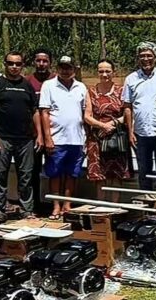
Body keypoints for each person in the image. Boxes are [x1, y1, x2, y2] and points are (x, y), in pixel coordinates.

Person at [0, 52, 43, 223]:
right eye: (11, 63)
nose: (14, 67)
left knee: (26, 176)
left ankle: (27, 211)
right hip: (2, 138)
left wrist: (39, 135)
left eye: (18, 64)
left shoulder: (27, 85)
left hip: (25, 139)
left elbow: (35, 111)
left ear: (22, 65)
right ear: (5, 64)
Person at [122, 41, 156, 190]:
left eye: (149, 55)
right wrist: (130, 131)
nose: (146, 59)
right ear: (138, 58)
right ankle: (146, 203)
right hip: (140, 133)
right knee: (144, 170)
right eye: (142, 56)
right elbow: (127, 107)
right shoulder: (131, 79)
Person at [39, 56, 87, 219]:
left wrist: (85, 137)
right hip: (56, 139)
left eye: (69, 67)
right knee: (55, 173)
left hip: (77, 139)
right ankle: (56, 206)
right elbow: (44, 112)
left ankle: (67, 204)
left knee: (72, 174)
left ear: (75, 69)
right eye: (62, 67)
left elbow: (84, 113)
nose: (65, 71)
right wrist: (48, 138)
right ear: (57, 68)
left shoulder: (81, 87)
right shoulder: (49, 85)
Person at [84, 60, 131, 202]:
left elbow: (128, 113)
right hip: (97, 137)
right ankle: (101, 207)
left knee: (116, 174)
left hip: (117, 137)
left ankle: (115, 207)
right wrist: (102, 126)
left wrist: (113, 123)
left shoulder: (122, 90)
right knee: (99, 175)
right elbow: (87, 116)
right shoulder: (91, 91)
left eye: (108, 71)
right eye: (101, 71)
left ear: (113, 72)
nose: (104, 74)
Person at [26, 48, 56, 214]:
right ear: (34, 62)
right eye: (38, 60)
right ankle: (34, 205)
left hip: (54, 134)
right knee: (32, 171)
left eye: (45, 61)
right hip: (33, 136)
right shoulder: (27, 81)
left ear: (50, 62)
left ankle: (56, 205)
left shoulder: (56, 80)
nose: (42, 64)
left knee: (55, 171)